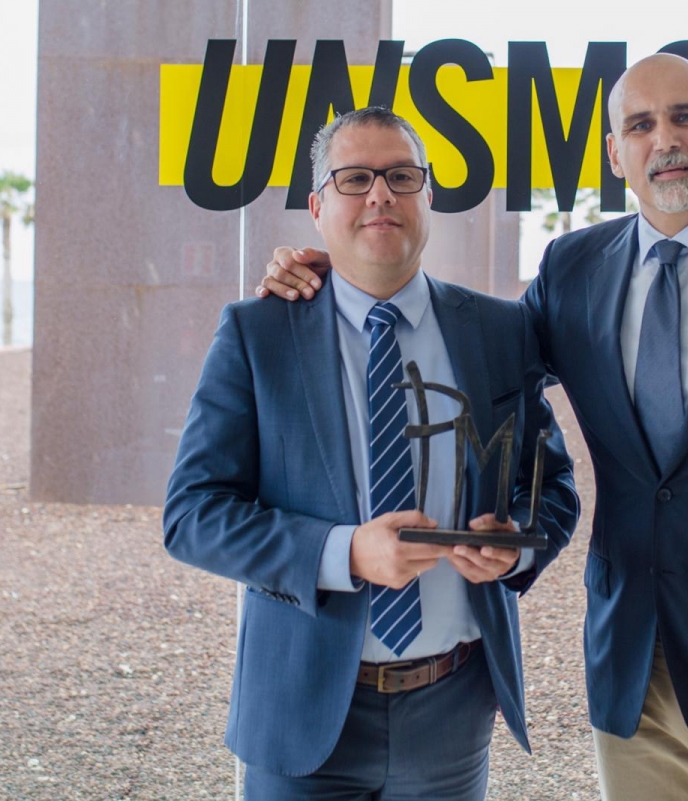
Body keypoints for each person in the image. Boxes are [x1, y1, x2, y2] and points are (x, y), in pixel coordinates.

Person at [261, 54, 688, 800]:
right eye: (639, 125)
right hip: (632, 673)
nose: (663, 140)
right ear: (615, 153)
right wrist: (343, 274)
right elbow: (479, 352)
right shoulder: (574, 268)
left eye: (685, 117)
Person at [164, 107, 579, 799]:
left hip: (454, 708)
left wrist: (518, 547)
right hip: (301, 708)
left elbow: (553, 483)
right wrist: (346, 552)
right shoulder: (256, 334)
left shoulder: (500, 331)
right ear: (317, 207)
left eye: (400, 176)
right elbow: (192, 517)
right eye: (355, 178)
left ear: (428, 195)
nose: (380, 193)